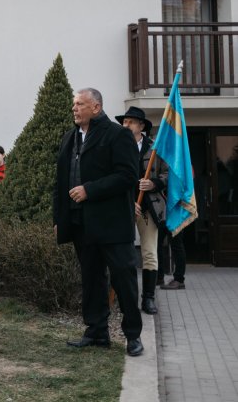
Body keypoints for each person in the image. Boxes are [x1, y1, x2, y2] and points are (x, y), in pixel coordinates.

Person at [53, 88, 143, 357]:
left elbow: (128, 175)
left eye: (80, 104)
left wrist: (89, 190)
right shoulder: (70, 138)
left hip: (112, 224)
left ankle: (133, 336)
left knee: (123, 279)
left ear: (96, 107)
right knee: (91, 279)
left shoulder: (118, 135)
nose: (74, 108)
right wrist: (60, 218)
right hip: (81, 223)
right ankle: (96, 331)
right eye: (73, 104)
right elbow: (60, 182)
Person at [116, 106, 168, 315]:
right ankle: (122, 298)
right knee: (119, 254)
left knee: (149, 253)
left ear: (141, 126)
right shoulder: (117, 147)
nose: (125, 125)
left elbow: (167, 175)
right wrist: (128, 201)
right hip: (124, 207)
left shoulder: (154, 148)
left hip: (149, 210)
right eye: (124, 121)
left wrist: (154, 183)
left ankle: (148, 299)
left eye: (129, 122)